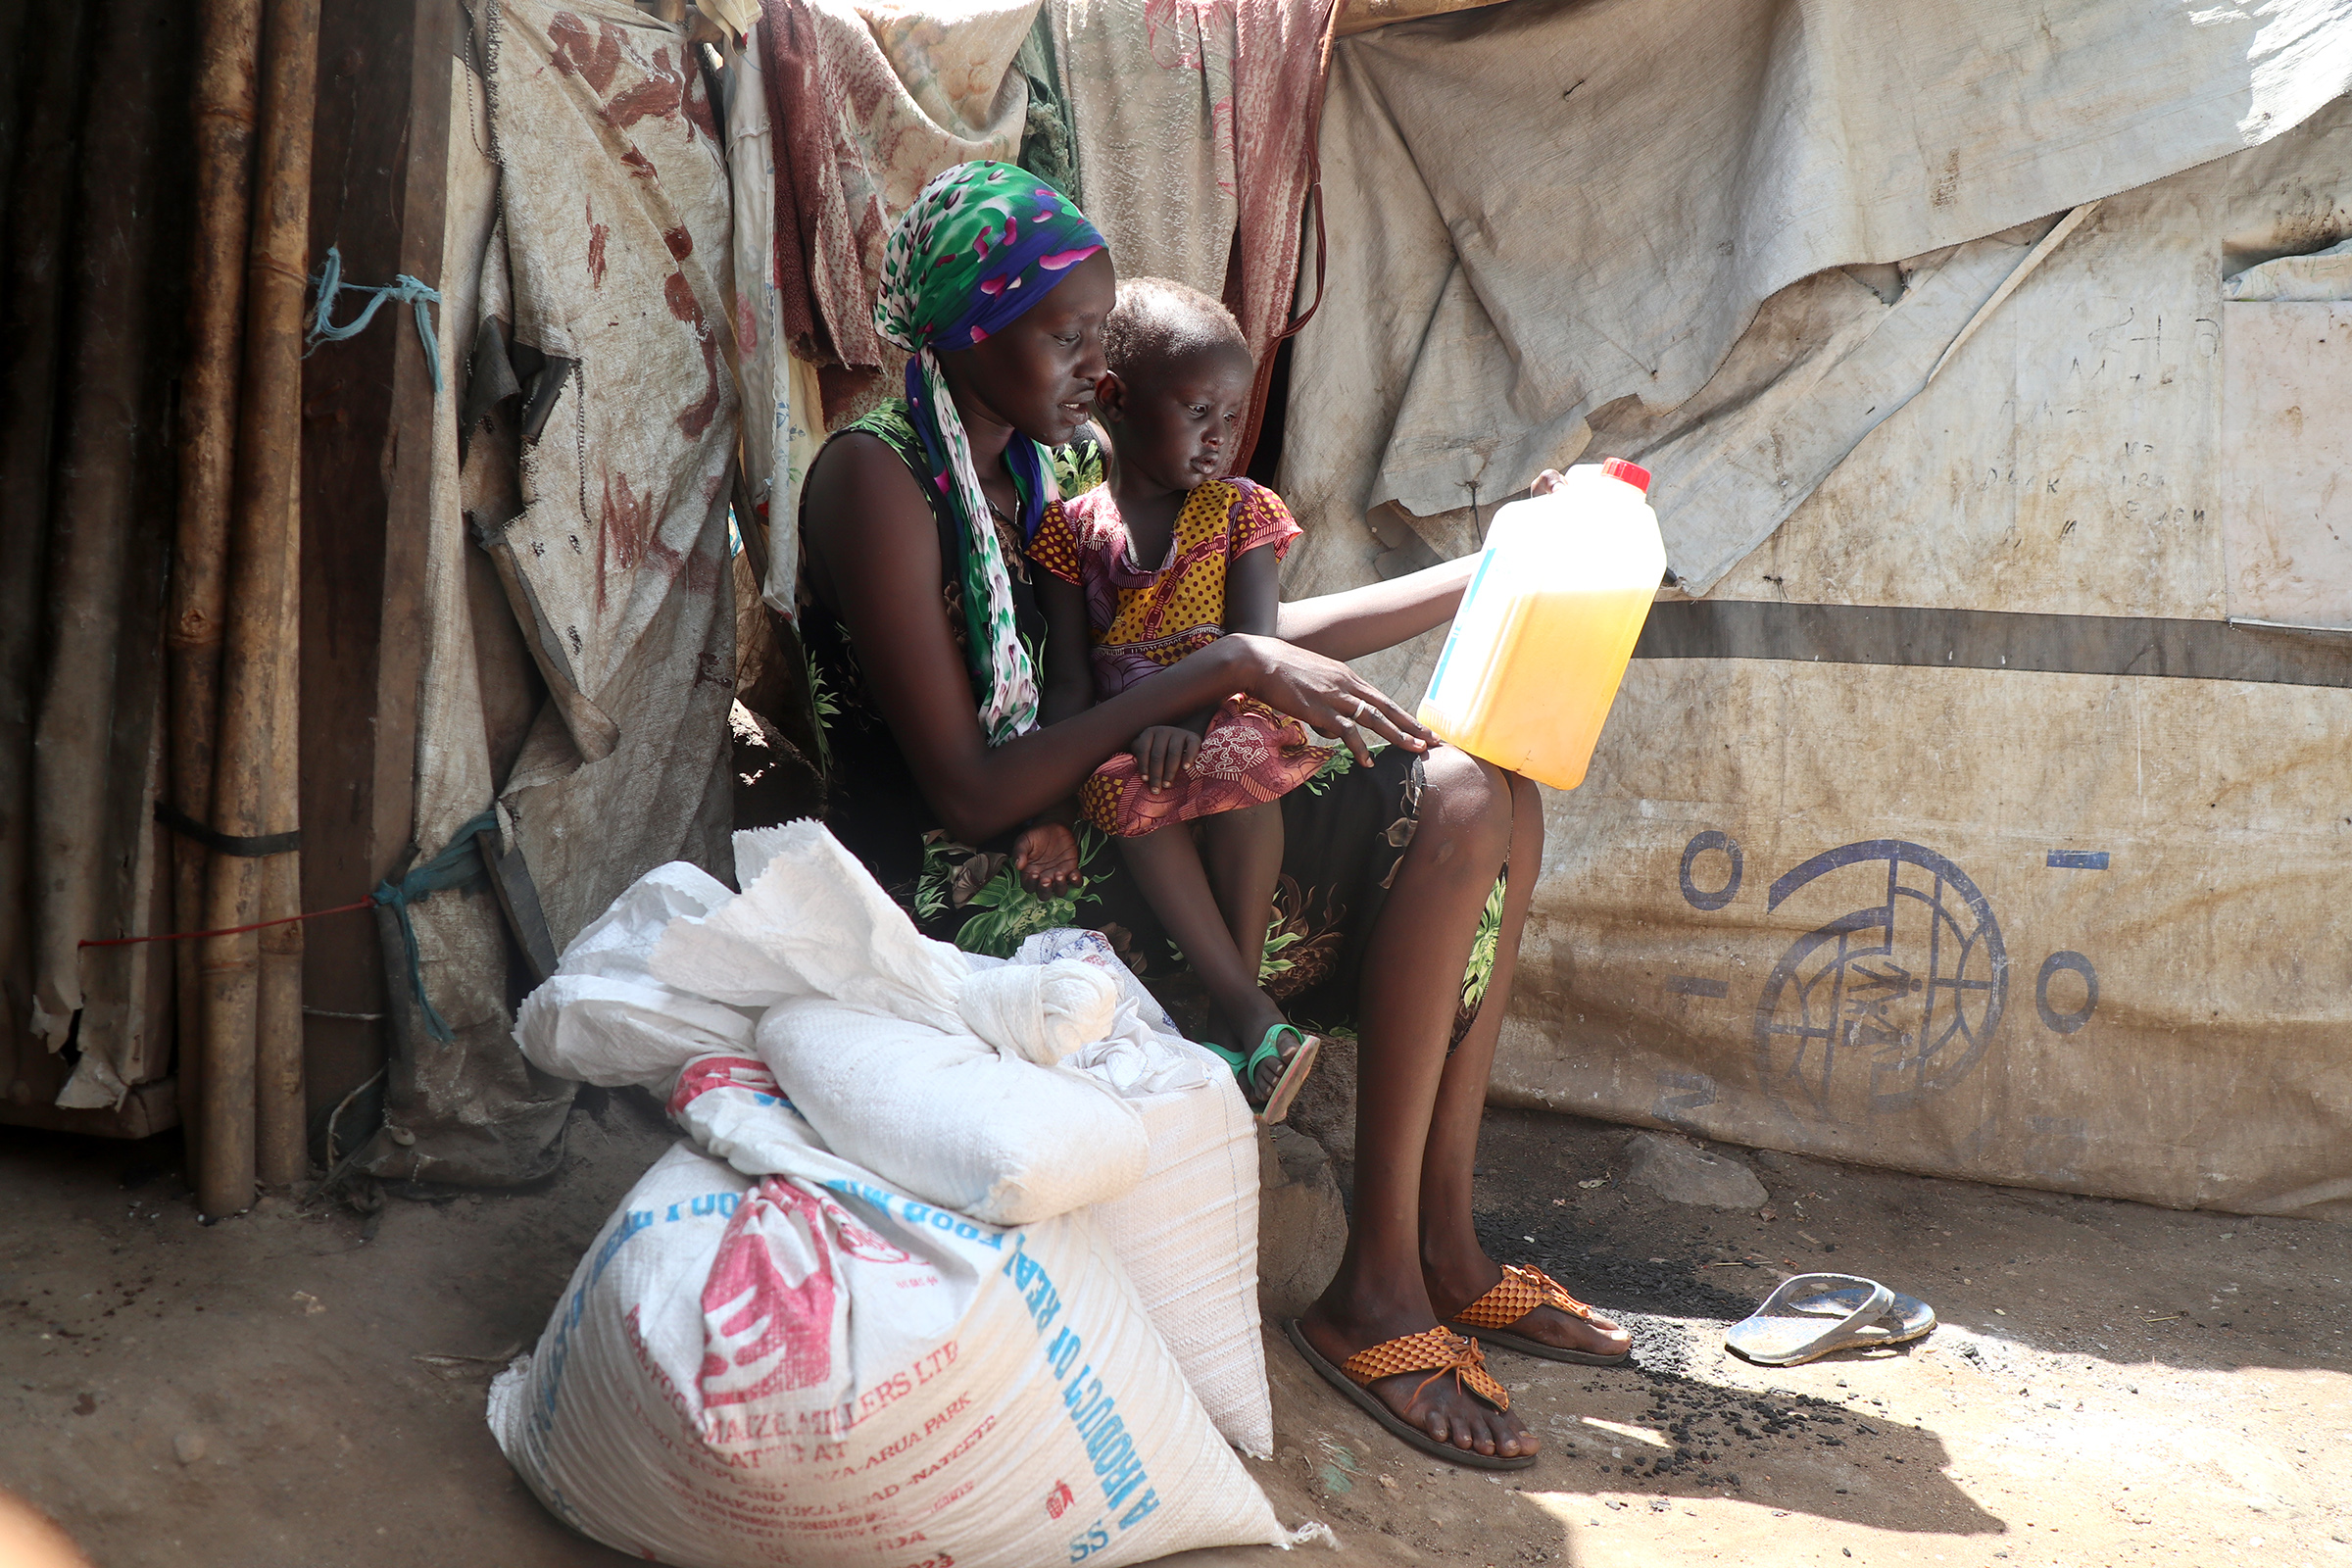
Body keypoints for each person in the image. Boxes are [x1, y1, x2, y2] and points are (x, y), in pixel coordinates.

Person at [798, 161, 1630, 1468]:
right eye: (1063, 337)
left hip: (1082, 806)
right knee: (1452, 808)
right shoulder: (880, 478)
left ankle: (1447, 1247)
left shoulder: (1022, 472)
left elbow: (1215, 638)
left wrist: (1489, 570)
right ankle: (1374, 1295)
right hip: (972, 879)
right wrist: (1229, 675)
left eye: (1095, 335)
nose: (1090, 366)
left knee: (1499, 794)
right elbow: (971, 786)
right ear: (969, 331)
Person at [1018, 277, 1328, 1122]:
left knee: (1237, 754)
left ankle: (1239, 1004)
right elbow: (1070, 682)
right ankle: (1250, 1019)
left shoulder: (1241, 513)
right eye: (1198, 413)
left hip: (1224, 714)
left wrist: (1190, 721)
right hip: (1125, 731)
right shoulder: (1069, 531)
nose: (1220, 440)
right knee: (1118, 786)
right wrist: (1046, 806)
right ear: (1114, 400)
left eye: (1233, 419)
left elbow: (1254, 653)